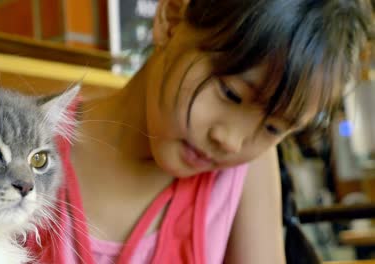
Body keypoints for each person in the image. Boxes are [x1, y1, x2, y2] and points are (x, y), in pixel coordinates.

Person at [27, 0, 372, 263]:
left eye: (271, 128)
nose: (232, 141)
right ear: (171, 19)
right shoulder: (27, 146)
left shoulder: (244, 170)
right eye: (231, 94)